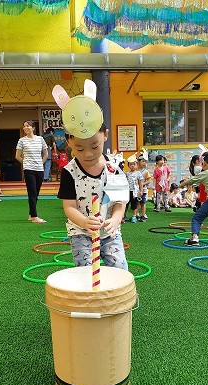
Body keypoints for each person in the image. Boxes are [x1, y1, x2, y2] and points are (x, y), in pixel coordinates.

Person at [53, 79, 129, 269]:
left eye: (95, 146)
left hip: (109, 231)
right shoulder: (69, 172)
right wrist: (84, 222)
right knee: (85, 271)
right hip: (80, 232)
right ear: (69, 142)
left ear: (105, 135)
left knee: (119, 268)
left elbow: (119, 203)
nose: (88, 154)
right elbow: (69, 207)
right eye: (79, 148)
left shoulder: (114, 168)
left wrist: (116, 219)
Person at [15, 120, 49, 223]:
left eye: (28, 126)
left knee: (36, 192)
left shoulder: (40, 139)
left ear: (33, 128)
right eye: (24, 126)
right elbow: (17, 156)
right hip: (29, 169)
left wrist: (41, 163)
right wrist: (26, 163)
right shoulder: (22, 140)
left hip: (39, 169)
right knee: (32, 192)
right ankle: (34, 216)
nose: (25, 128)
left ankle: (31, 214)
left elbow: (46, 154)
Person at [124, 154, 143, 223]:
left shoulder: (138, 173)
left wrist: (141, 191)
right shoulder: (127, 174)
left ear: (137, 165)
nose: (132, 166)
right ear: (128, 165)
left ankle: (134, 216)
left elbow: (140, 182)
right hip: (127, 191)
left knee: (134, 204)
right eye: (131, 164)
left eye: (134, 164)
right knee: (126, 204)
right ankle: (124, 216)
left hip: (135, 192)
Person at [136, 151, 151, 221]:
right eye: (143, 161)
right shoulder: (135, 171)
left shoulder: (146, 172)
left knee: (143, 203)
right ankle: (136, 214)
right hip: (136, 190)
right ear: (138, 162)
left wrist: (142, 184)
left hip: (143, 190)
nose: (144, 163)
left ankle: (143, 215)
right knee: (137, 203)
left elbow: (148, 181)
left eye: (145, 162)